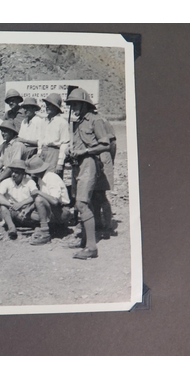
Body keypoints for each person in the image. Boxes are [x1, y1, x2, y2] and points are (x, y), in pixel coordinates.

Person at [65, 88, 110, 260]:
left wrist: (85, 151)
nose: (73, 107)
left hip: (90, 163)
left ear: (84, 104)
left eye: (75, 104)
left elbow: (105, 144)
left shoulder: (95, 120)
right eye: (71, 104)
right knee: (81, 203)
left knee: (82, 203)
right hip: (78, 165)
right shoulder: (78, 122)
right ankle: (85, 239)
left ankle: (91, 247)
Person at [25, 156, 72, 245]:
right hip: (55, 211)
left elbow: (55, 201)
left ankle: (45, 233)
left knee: (39, 200)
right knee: (31, 215)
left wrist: (38, 192)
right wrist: (28, 209)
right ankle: (56, 227)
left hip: (63, 211)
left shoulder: (51, 177)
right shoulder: (41, 179)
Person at [0, 160, 37, 240]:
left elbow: (35, 195)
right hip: (12, 210)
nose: (13, 174)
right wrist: (11, 205)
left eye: (16, 172)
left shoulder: (30, 182)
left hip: (25, 211)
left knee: (35, 214)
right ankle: (12, 228)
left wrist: (21, 204)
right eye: (12, 172)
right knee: (3, 207)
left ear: (23, 173)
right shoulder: (7, 181)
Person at [91, 117, 117, 238]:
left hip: (102, 161)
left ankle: (108, 225)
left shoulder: (100, 121)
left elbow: (112, 145)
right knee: (94, 195)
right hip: (95, 161)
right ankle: (98, 223)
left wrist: (109, 162)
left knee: (101, 195)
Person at [38, 93, 70, 177]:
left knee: (52, 178)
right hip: (43, 152)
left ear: (56, 108)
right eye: (46, 104)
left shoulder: (62, 122)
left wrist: (60, 162)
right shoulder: (43, 121)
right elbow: (41, 138)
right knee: (41, 178)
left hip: (54, 152)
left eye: (50, 105)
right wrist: (39, 152)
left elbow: (64, 143)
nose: (47, 107)